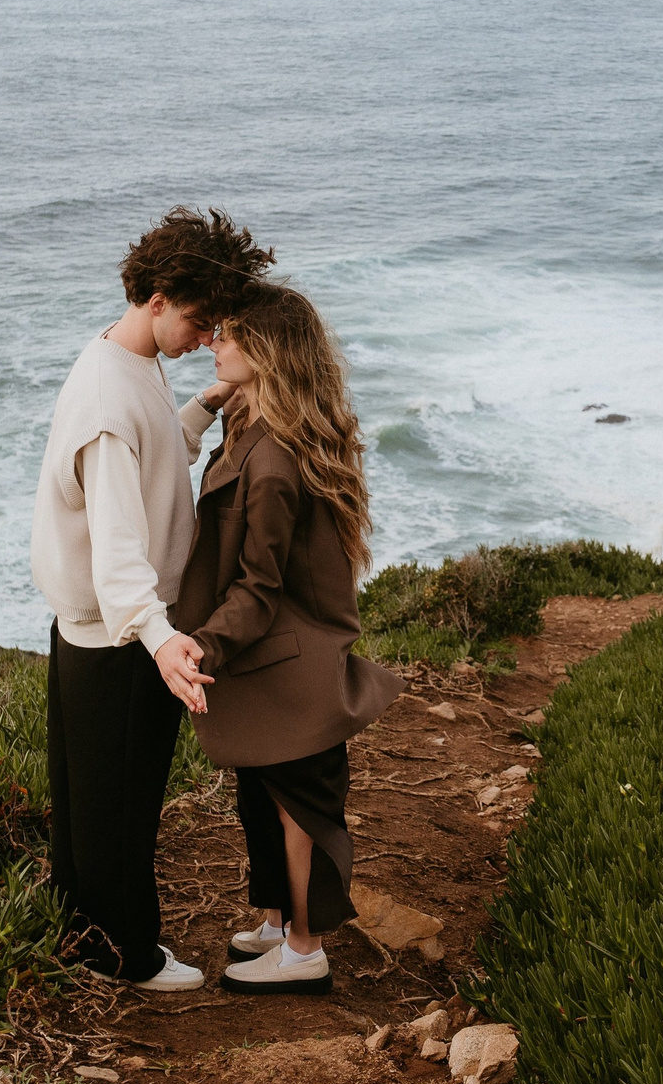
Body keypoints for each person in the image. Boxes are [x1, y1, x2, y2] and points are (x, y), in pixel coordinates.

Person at [30, 207, 274, 991]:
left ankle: (84, 942)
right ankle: (125, 959)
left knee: (88, 804)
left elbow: (152, 449)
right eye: (200, 320)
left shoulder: (123, 357)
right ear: (160, 295)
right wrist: (162, 638)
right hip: (120, 636)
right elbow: (117, 544)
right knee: (118, 811)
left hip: (94, 630)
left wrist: (199, 410)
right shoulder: (108, 402)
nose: (206, 338)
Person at [169, 286, 403, 994]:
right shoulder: (263, 423)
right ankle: (277, 921)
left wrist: (195, 648)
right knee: (260, 797)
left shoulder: (271, 460)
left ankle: (305, 949)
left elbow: (259, 588)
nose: (214, 341)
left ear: (266, 351)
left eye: (231, 336)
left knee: (301, 810)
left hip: (290, 664)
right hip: (280, 658)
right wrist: (215, 400)